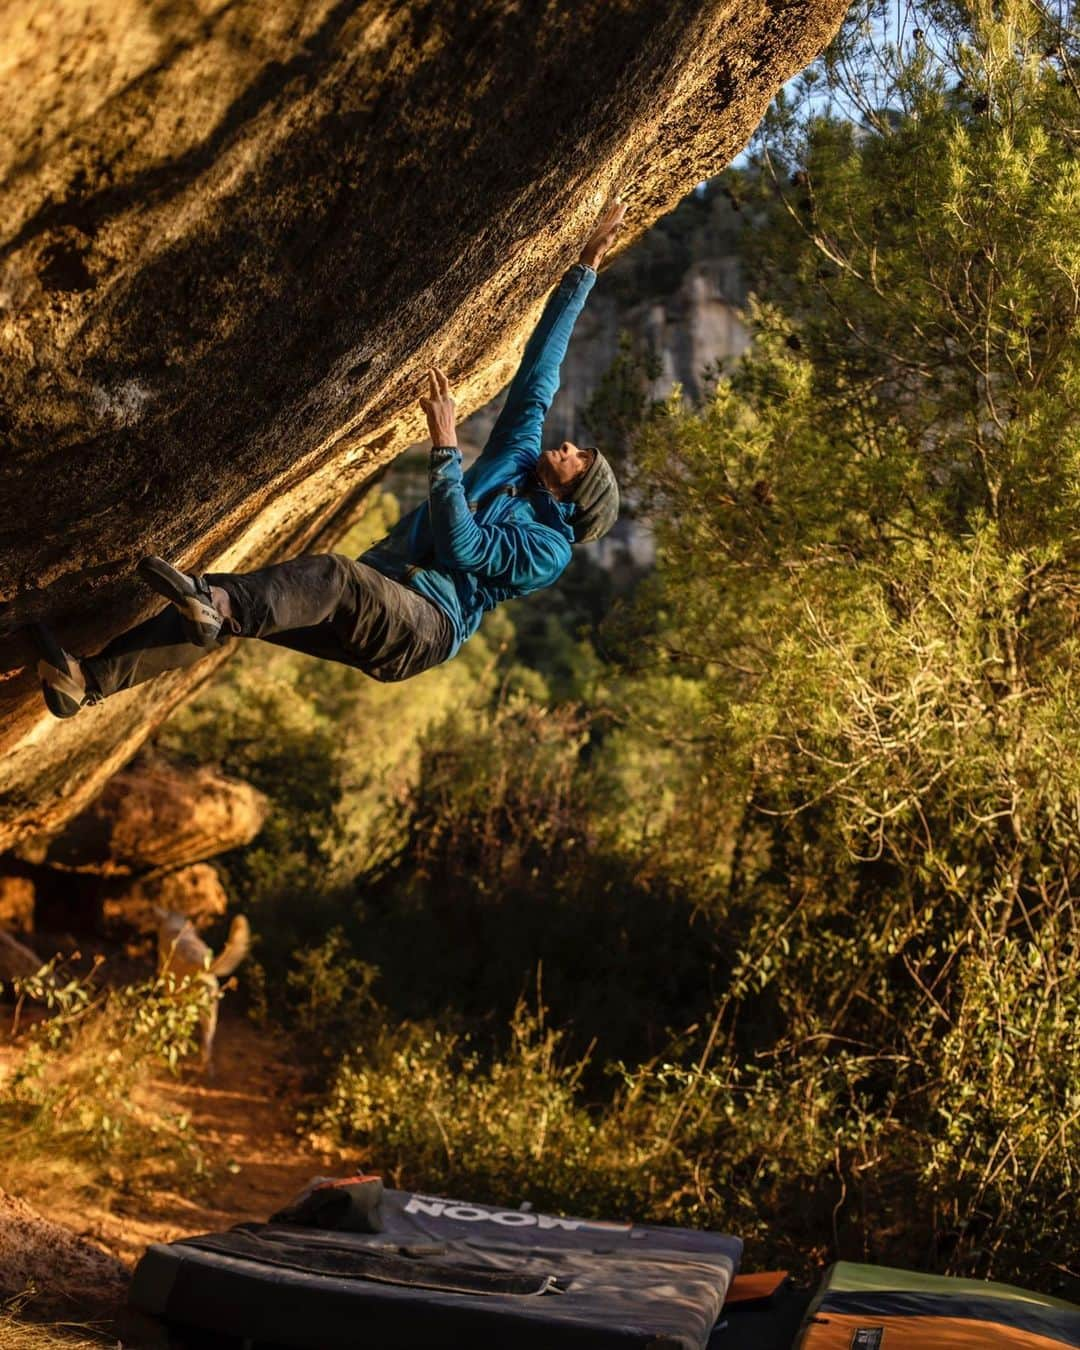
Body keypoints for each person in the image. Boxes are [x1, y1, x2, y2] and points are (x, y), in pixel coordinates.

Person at [34, 200, 626, 719]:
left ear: (578, 496)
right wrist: (585, 268)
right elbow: (539, 375)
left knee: (324, 580)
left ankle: (213, 607)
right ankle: (87, 682)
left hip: (423, 627)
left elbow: (462, 549)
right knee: (225, 604)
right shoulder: (520, 458)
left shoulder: (547, 552)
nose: (570, 447)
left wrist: (446, 446)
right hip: (389, 586)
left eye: (580, 458)